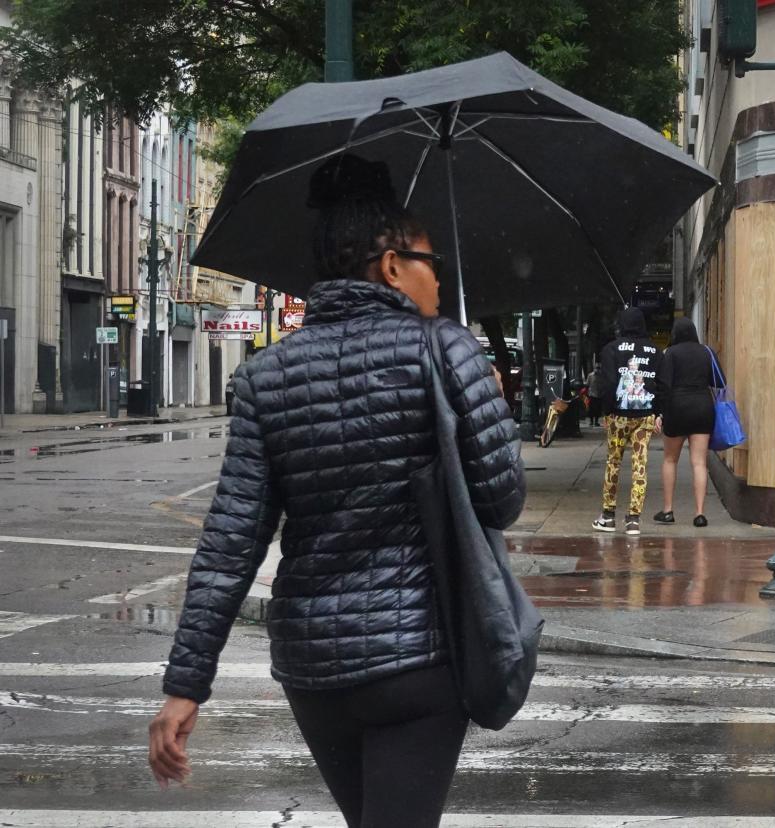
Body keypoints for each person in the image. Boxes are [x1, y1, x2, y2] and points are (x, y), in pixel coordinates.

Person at [147, 154, 524, 828]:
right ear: (390, 266)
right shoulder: (445, 349)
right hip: (418, 658)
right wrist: (487, 410)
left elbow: (231, 542)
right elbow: (501, 501)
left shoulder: (267, 375)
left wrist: (186, 685)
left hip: (314, 670)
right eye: (429, 261)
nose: (437, 277)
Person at [592, 307, 662, 535]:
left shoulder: (611, 349)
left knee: (613, 462)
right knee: (639, 464)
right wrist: (658, 412)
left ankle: (608, 516)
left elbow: (609, 382)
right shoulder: (655, 351)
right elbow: (661, 384)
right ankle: (634, 519)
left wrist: (606, 411)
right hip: (645, 414)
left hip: (618, 415)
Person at [653, 318, 723, 528]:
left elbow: (663, 386)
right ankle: (700, 513)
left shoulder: (670, 354)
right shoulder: (706, 352)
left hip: (677, 408)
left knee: (670, 460)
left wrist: (659, 413)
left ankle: (668, 510)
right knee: (699, 462)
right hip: (702, 407)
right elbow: (720, 382)